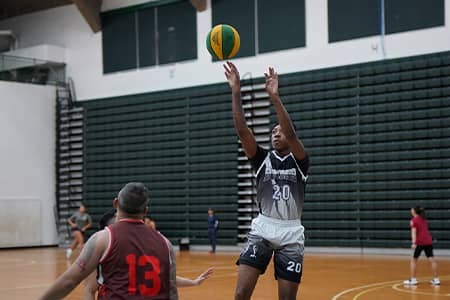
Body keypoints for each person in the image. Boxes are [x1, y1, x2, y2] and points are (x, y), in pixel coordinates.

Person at [224, 61, 310, 300]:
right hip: (263, 228)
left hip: (291, 232)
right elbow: (242, 131)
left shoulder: (300, 160)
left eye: (279, 130)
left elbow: (291, 133)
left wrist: (274, 97)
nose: (275, 133)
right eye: (272, 131)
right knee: (241, 293)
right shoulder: (261, 158)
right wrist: (236, 91)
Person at [38, 182, 178, 300]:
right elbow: (172, 292)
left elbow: (69, 282)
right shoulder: (166, 244)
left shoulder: (103, 239)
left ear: (116, 203)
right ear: (145, 211)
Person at [82, 209, 214, 300]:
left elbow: (166, 279)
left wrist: (194, 282)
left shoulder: (145, 251)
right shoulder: (103, 255)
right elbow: (89, 290)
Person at [403, 206, 440, 286]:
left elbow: (414, 232)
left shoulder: (413, 220)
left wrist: (413, 243)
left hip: (419, 242)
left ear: (414, 211)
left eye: (412, 209)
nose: (411, 210)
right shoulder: (424, 219)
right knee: (432, 260)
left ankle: (413, 280)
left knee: (413, 260)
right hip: (428, 241)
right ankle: (436, 279)